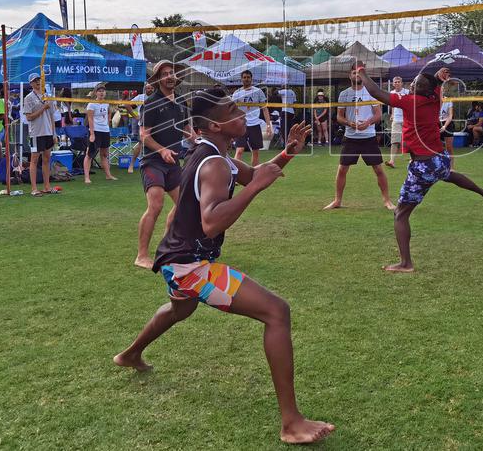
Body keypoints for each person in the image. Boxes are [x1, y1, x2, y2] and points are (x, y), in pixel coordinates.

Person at [113, 88, 335, 445]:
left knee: (179, 310)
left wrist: (287, 153)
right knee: (277, 312)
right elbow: (212, 222)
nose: (242, 112)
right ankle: (291, 423)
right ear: (215, 125)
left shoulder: (217, 156)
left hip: (176, 260)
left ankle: (130, 354)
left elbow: (253, 174)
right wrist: (255, 189)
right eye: (233, 110)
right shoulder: (213, 163)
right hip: (189, 266)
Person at [353, 65, 483, 272]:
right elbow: (433, 84)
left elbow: (376, 92)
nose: (411, 85)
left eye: (415, 83)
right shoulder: (434, 96)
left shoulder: (411, 101)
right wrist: (437, 77)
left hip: (423, 166)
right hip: (439, 158)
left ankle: (405, 263)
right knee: (449, 175)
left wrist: (361, 72)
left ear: (419, 89)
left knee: (400, 214)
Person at [135, 61, 192, 270]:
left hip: (173, 162)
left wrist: (201, 141)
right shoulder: (151, 103)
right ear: (158, 79)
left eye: (172, 73)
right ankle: (141, 255)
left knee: (184, 205)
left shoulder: (182, 101)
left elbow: (187, 130)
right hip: (153, 162)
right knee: (156, 204)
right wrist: (161, 150)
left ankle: (168, 246)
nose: (169, 76)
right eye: (165, 74)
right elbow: (144, 135)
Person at [324, 65, 395, 210]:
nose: (356, 75)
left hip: (368, 136)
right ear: (349, 76)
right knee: (342, 169)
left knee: (378, 169)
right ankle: (337, 201)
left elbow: (378, 115)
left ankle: (387, 201)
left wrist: (367, 123)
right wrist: (349, 123)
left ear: (363, 75)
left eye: (359, 73)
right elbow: (339, 117)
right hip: (350, 137)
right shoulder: (344, 94)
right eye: (353, 73)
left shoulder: (371, 92)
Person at [22, 73, 58, 197]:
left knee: (47, 159)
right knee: (34, 160)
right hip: (36, 133)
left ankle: (47, 187)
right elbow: (29, 117)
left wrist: (54, 133)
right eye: (35, 80)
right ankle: (34, 189)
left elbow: (52, 116)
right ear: (31, 84)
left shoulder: (49, 96)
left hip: (48, 132)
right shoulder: (28, 98)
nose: (38, 82)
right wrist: (43, 108)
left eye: (39, 79)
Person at [232, 70, 272, 166]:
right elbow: (232, 110)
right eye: (244, 77)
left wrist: (268, 125)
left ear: (251, 79)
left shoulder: (258, 91)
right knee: (240, 150)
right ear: (241, 79)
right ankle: (236, 172)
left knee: (255, 152)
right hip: (241, 124)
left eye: (248, 77)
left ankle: (254, 172)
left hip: (255, 125)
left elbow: (265, 109)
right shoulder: (237, 93)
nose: (246, 79)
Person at [83, 83, 116, 183]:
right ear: (96, 93)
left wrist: (108, 121)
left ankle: (108, 175)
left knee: (104, 154)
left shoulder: (106, 103)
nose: (101, 93)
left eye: (103, 91)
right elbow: (90, 119)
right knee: (89, 154)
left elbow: (109, 112)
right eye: (99, 91)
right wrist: (92, 134)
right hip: (95, 130)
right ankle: (87, 177)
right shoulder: (92, 104)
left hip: (105, 130)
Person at [127, 80, 155, 174]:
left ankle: (153, 165)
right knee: (140, 145)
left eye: (151, 88)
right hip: (143, 125)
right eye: (148, 88)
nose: (150, 89)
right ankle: (132, 164)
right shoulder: (140, 97)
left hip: (156, 125)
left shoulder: (157, 97)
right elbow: (127, 105)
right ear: (145, 89)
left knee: (156, 145)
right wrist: (135, 116)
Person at [386, 76, 408, 167]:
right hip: (396, 120)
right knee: (395, 141)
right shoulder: (391, 93)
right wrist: (392, 114)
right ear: (393, 84)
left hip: (407, 120)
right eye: (395, 82)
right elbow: (393, 105)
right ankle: (392, 161)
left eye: (399, 82)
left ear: (401, 83)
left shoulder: (407, 92)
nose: (397, 83)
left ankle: (413, 158)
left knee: (409, 140)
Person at [439, 88, 456, 167]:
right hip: (436, 123)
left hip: (447, 123)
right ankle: (439, 166)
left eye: (441, 91)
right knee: (436, 147)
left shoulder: (448, 100)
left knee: (449, 147)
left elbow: (450, 115)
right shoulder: (433, 100)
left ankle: (451, 167)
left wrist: (445, 126)